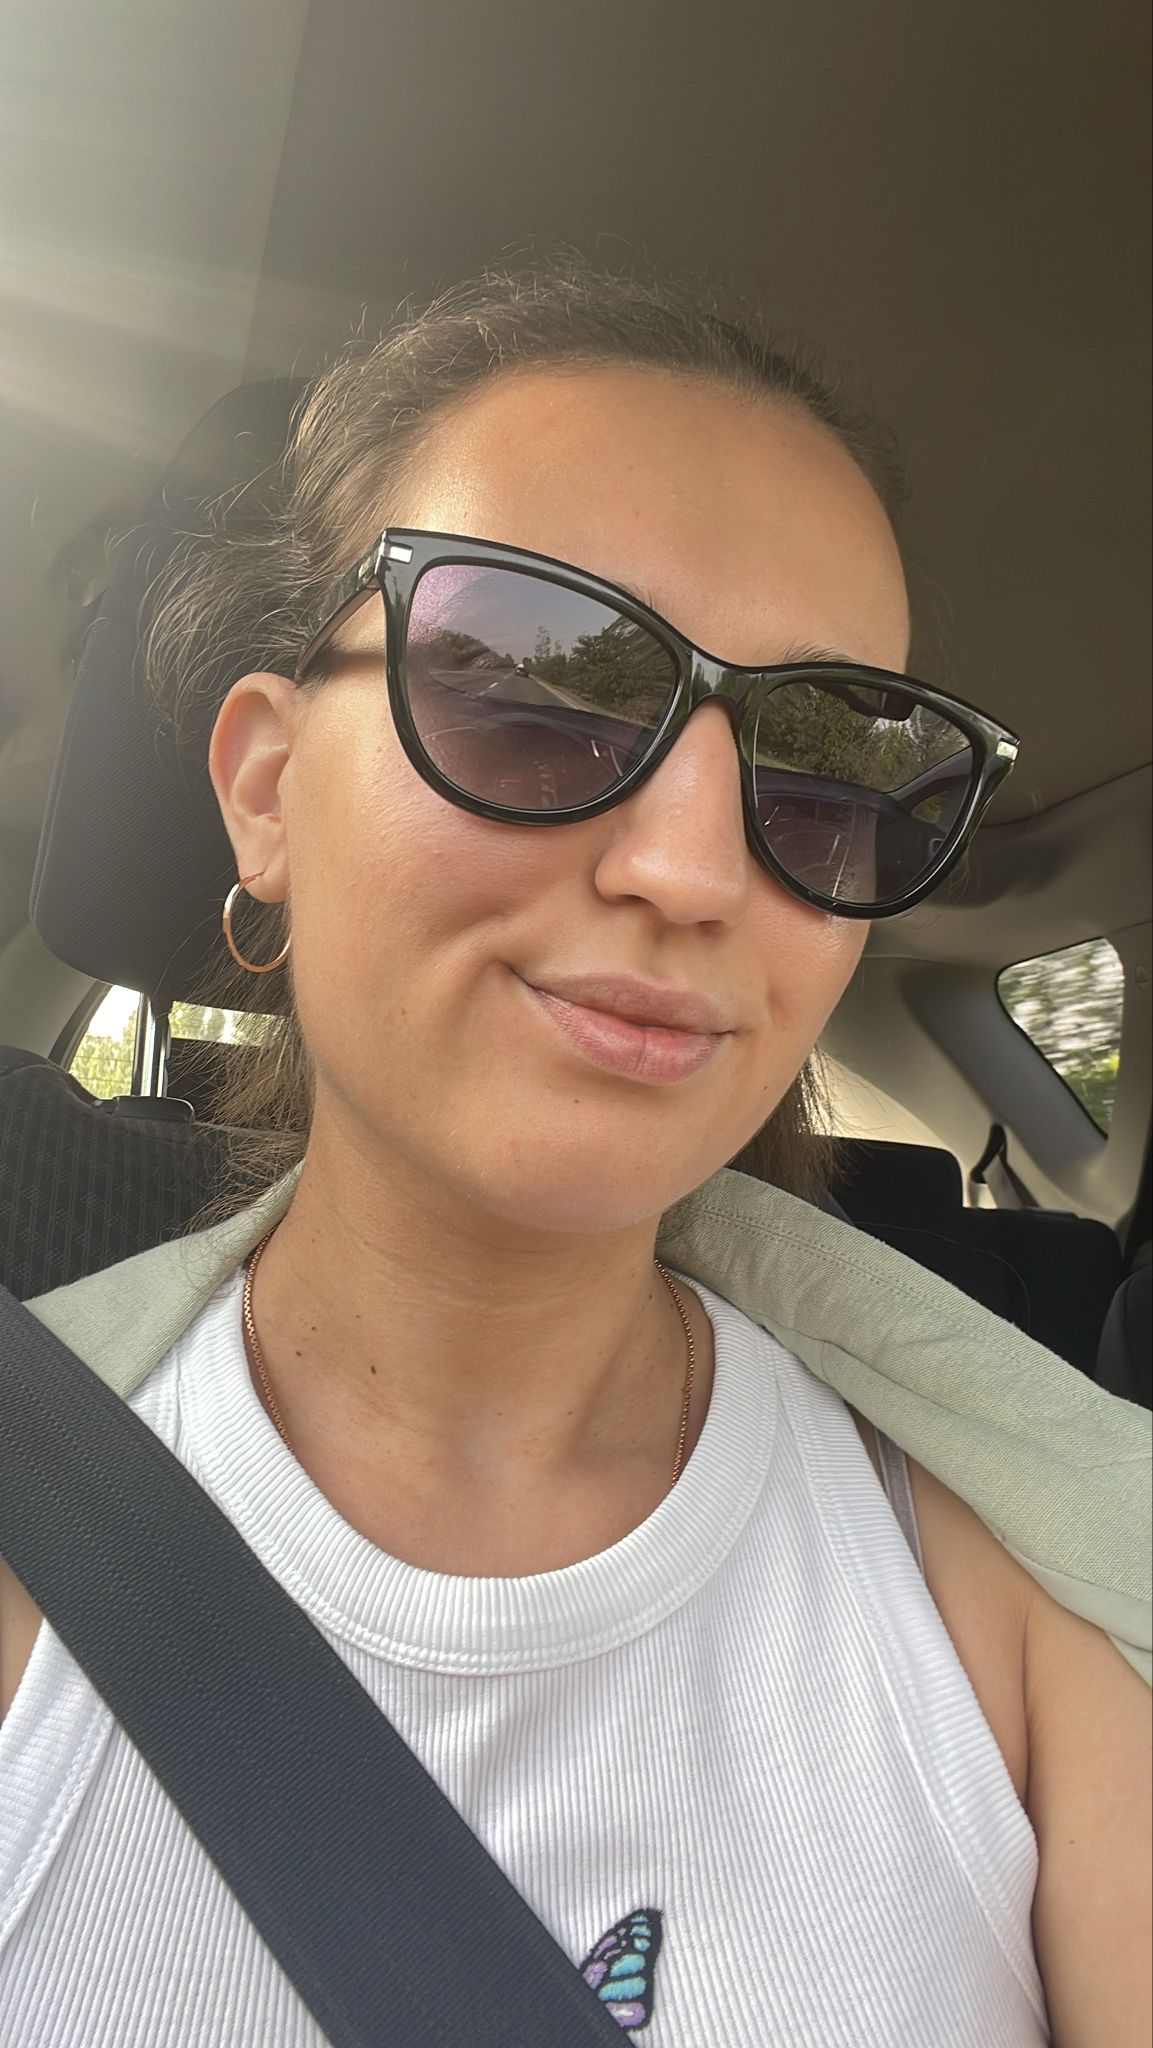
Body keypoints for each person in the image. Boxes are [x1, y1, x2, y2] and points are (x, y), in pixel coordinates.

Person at [1, 260, 1149, 2046]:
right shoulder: (31, 1549)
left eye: (829, 768)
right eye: (531, 688)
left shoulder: (1027, 1603)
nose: (691, 870)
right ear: (267, 786)